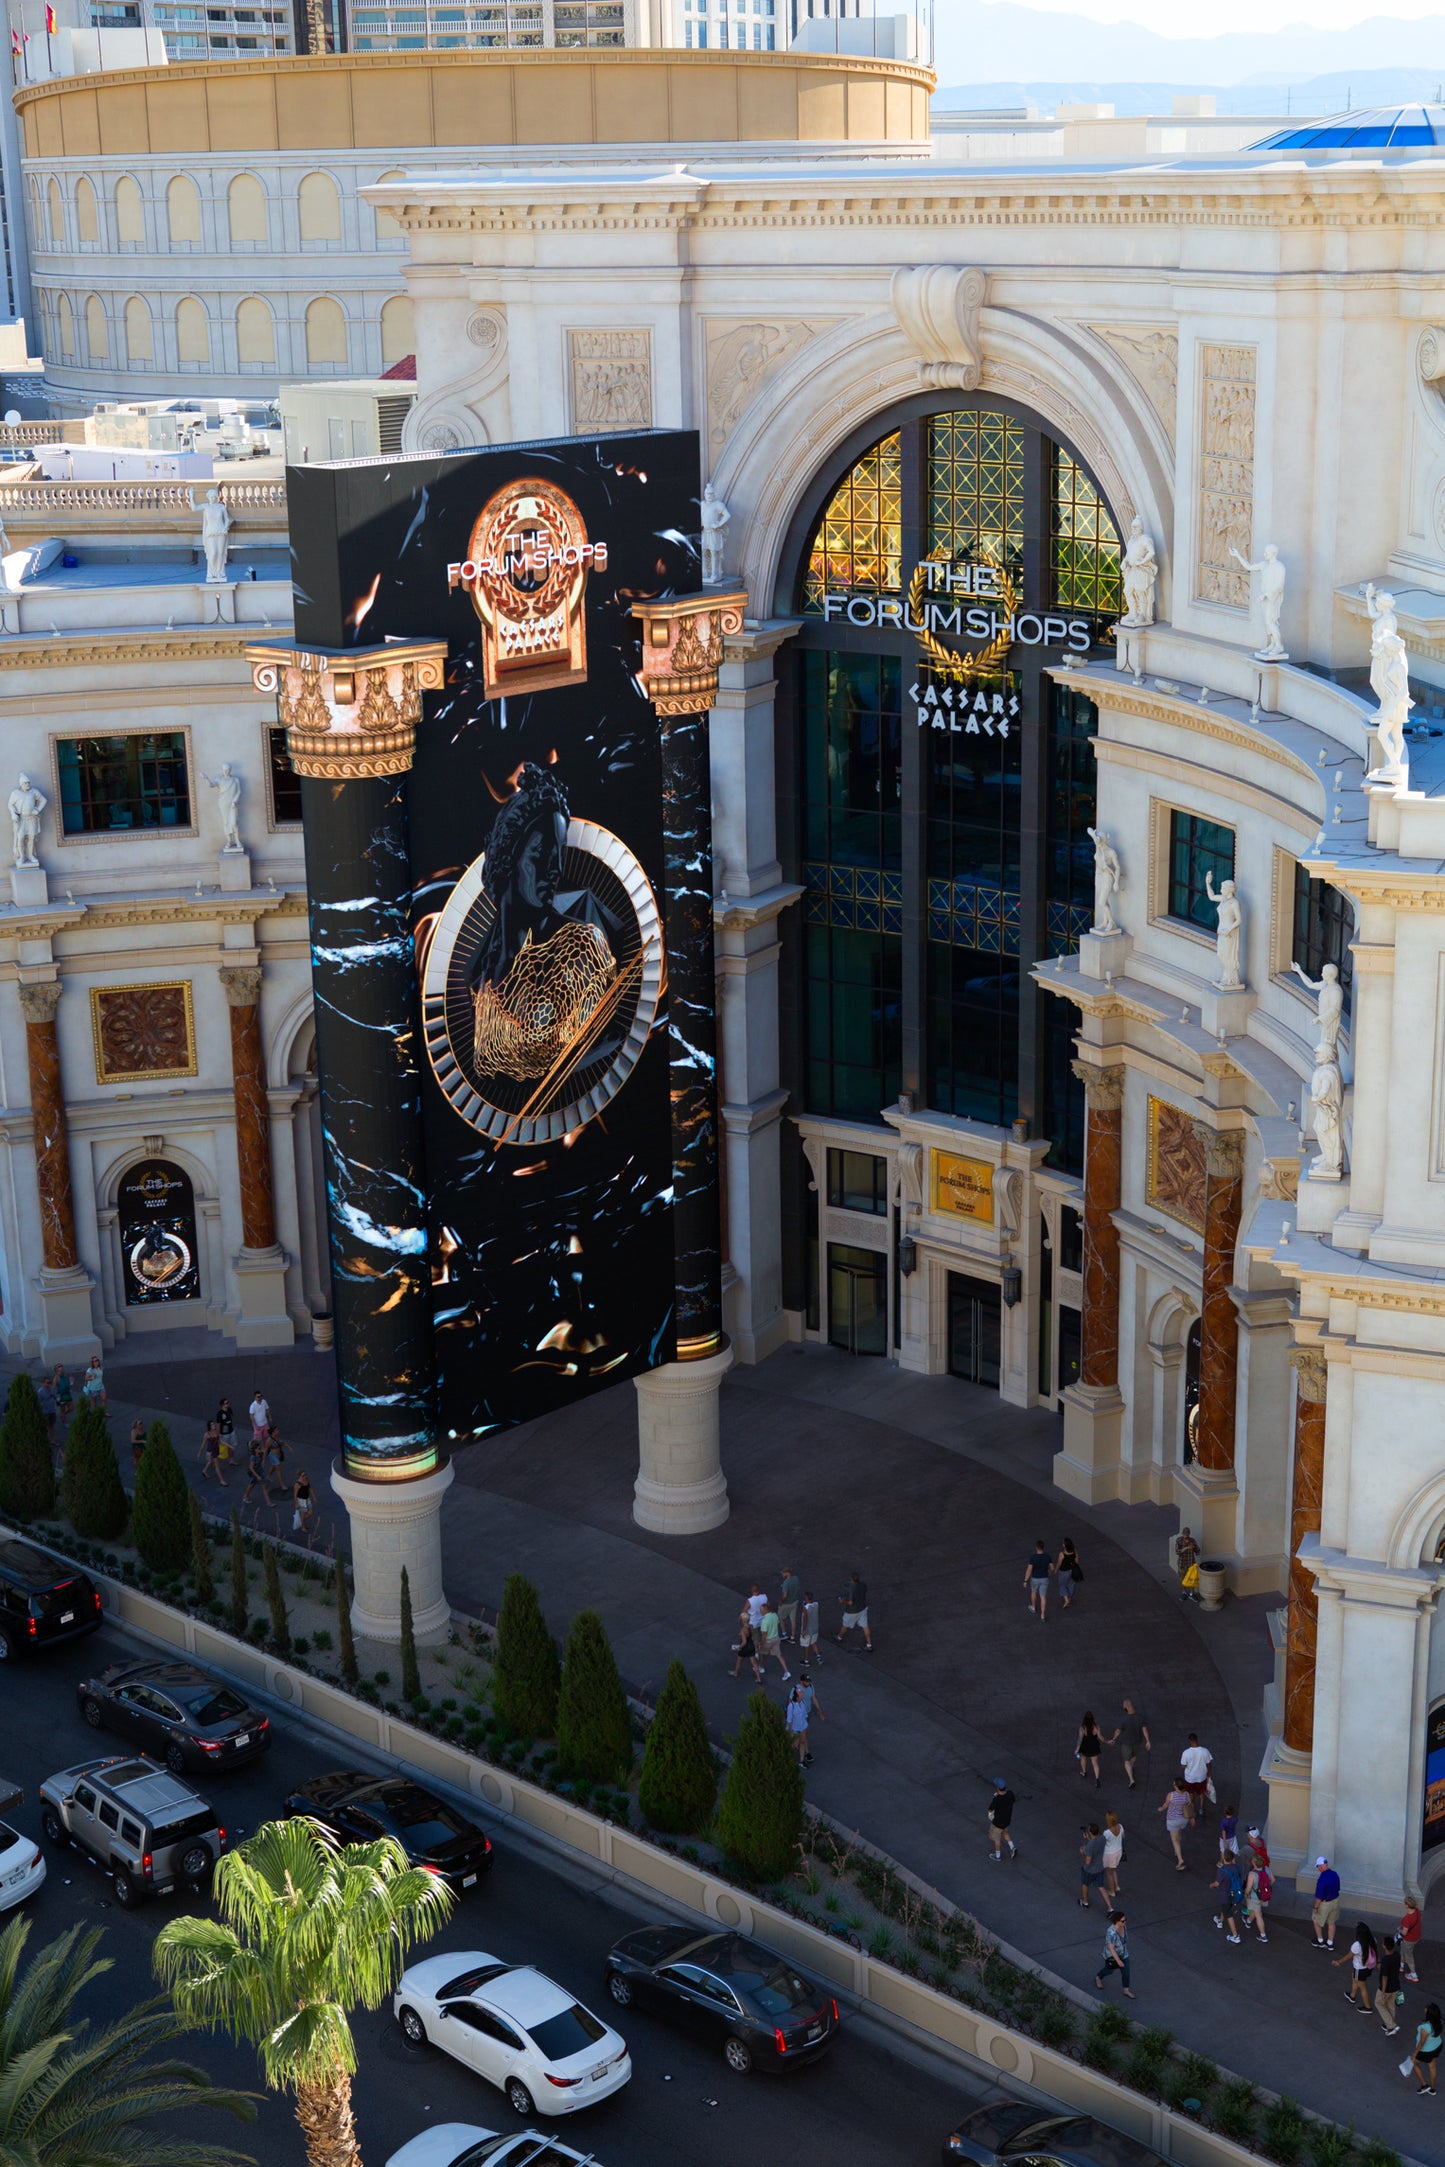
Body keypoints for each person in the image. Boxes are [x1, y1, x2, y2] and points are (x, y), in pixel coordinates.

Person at [1107, 1699, 1152, 1790]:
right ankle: (1131, 1769)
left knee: (1126, 1761)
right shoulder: (1140, 1717)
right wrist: (1148, 1741)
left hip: (1126, 1744)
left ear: (1126, 1707)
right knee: (1134, 1757)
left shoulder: (1124, 1719)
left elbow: (1118, 1731)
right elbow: (1144, 1730)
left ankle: (1131, 1780)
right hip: (1137, 1742)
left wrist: (1113, 1739)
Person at [1335, 1923, 1378, 2011]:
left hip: (1360, 1969)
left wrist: (1338, 1962)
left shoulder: (1357, 1945)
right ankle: (1352, 1996)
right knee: (1355, 1979)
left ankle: (1368, 2007)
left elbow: (1348, 1956)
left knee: (1363, 1987)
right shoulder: (1373, 1940)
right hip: (1368, 1967)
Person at [1094, 1909, 1134, 1999]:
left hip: (1123, 1953)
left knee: (1126, 1972)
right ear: (1117, 1921)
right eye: (1123, 1921)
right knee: (1109, 1970)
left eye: (1125, 1920)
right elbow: (1111, 1948)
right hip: (1112, 1956)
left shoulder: (1123, 1927)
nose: (1125, 1922)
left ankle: (1126, 1990)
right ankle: (1098, 1977)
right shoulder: (1111, 1932)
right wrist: (1118, 1961)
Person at [1405, 2002, 1442, 2094]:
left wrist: (1415, 2053)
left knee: (1413, 2063)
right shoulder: (1439, 2021)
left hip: (1426, 2051)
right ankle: (1432, 2089)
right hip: (1437, 2046)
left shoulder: (1425, 2027)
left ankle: (1424, 2085)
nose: (1425, 2009)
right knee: (1432, 2067)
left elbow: (1422, 2043)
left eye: (1427, 2009)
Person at [1160, 1774, 1192, 1871]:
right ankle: (1176, 1850)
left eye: (1174, 1785)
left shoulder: (1171, 1795)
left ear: (1177, 1786)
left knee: (1174, 1840)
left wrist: (1161, 1808)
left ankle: (1180, 1860)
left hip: (1173, 1820)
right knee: (1179, 1833)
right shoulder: (1186, 1794)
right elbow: (1190, 1804)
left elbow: (1165, 1805)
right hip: (1184, 1819)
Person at [1210, 1852, 1245, 1943]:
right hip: (1234, 1894)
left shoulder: (1221, 1871)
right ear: (1232, 1859)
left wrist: (1211, 1885)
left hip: (1225, 1895)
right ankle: (1220, 1921)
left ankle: (1235, 1936)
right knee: (1226, 1908)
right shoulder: (1236, 1867)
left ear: (1224, 1859)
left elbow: (1217, 1883)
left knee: (1228, 1914)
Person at [835, 1569, 872, 1650]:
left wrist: (842, 1601)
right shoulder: (863, 1585)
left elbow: (851, 1602)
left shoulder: (851, 1588)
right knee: (865, 1626)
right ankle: (869, 1644)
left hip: (852, 1611)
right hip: (862, 1609)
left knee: (845, 1625)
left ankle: (839, 1637)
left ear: (851, 1579)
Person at [1180, 1733, 1213, 1820]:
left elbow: (1183, 1766)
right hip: (1201, 1777)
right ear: (1197, 1740)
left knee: (1191, 1794)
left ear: (1190, 1741)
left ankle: (1193, 1810)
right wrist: (1209, 1774)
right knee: (1201, 1794)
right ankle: (1201, 1809)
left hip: (1189, 1778)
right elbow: (1209, 1764)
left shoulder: (1186, 1753)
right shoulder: (1205, 1751)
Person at [1312, 1856, 1342, 1949]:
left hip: (1325, 1904)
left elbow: (1319, 1897)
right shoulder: (1335, 1874)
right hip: (1335, 1901)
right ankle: (1330, 1943)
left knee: (1316, 1921)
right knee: (1331, 1922)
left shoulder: (1322, 1879)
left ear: (1320, 1866)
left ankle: (1320, 1941)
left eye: (1318, 1867)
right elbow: (1338, 1888)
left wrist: (1316, 1907)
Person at [757, 1600, 791, 1681]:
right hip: (776, 1638)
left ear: (766, 1610)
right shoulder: (775, 1615)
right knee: (779, 1655)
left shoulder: (764, 1621)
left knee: (760, 1652)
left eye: (761, 1610)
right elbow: (777, 1623)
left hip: (768, 1640)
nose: (760, 1611)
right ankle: (786, 1672)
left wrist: (760, 1643)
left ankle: (761, 1668)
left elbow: (764, 1635)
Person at [796, 1670, 824, 1767]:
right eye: (806, 1681)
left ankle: (804, 1753)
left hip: (807, 1714)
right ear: (801, 1681)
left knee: (803, 1735)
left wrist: (820, 1711)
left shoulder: (810, 1686)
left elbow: (814, 1698)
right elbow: (791, 1703)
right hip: (799, 1716)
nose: (808, 1683)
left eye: (808, 1681)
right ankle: (803, 1757)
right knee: (802, 1738)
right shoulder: (797, 1690)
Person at [1377, 1932, 1404, 2036]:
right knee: (1391, 2005)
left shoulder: (1385, 1960)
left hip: (1387, 1987)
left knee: (1378, 2003)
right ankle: (1388, 2024)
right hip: (1396, 1985)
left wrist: (1383, 1991)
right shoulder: (1397, 1955)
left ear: (1384, 1946)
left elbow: (1384, 1977)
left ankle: (1391, 2026)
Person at [1079, 1823, 1109, 1912]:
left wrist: (1082, 1853)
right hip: (1100, 1867)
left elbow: (1088, 1861)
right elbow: (1096, 1844)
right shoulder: (1102, 1838)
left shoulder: (1089, 1846)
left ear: (1090, 1833)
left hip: (1089, 1870)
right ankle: (1110, 1907)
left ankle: (1085, 1902)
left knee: (1085, 1884)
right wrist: (1088, 1838)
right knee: (1101, 1886)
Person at [729, 1606, 763, 1683]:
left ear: (742, 1620)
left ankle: (735, 1672)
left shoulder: (743, 1630)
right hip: (751, 1645)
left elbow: (744, 1642)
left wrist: (738, 1647)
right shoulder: (751, 1626)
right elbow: (751, 1634)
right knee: (754, 1664)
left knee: (739, 1660)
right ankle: (758, 1678)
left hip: (745, 1647)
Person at [987, 1777, 1017, 1862]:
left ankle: (997, 1856)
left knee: (997, 1839)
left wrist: (994, 1798)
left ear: (997, 1788)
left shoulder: (997, 1799)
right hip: (1007, 1820)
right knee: (1005, 1832)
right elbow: (1013, 1800)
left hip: (997, 1822)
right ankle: (1012, 1847)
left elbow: (990, 1809)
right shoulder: (1010, 1794)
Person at [1023, 1538, 1052, 1621]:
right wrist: (1049, 1572)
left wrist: (1025, 1580)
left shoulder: (1033, 1558)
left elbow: (1029, 1570)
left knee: (1034, 1592)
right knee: (1043, 1597)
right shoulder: (1047, 1557)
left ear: (1036, 1548)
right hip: (1045, 1579)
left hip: (1035, 1578)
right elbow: (1052, 1568)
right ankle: (1042, 1615)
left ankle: (1033, 1607)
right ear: (1043, 1547)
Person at [1076, 1710, 1104, 1788]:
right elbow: (1100, 1737)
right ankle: (1097, 1779)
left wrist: (1077, 1749)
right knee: (1095, 1763)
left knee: (1083, 1758)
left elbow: (1080, 1739)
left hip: (1085, 1746)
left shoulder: (1082, 1728)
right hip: (1094, 1746)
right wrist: (1106, 1741)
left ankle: (1084, 1772)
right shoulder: (1096, 1726)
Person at [785, 1682, 810, 1768]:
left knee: (802, 1742)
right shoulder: (791, 1706)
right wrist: (791, 1732)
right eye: (800, 1693)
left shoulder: (803, 1702)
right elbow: (789, 1720)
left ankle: (801, 1761)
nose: (802, 1694)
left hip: (802, 1726)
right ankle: (786, 1758)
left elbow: (805, 1714)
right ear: (797, 1696)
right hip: (795, 1729)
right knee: (794, 1745)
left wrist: (806, 1724)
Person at [1102, 1809, 1124, 1899]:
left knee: (1109, 1873)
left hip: (1109, 1854)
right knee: (1114, 1869)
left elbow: (1102, 1843)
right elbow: (1123, 1836)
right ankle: (1117, 1886)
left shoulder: (1107, 1832)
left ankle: (1112, 1891)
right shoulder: (1120, 1826)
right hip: (1119, 1851)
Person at [1401, 1894, 1423, 1985]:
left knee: (1409, 1956)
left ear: (1407, 1905)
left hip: (1409, 1939)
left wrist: (1399, 1930)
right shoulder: (1417, 1911)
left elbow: (1404, 1933)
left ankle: (1414, 1975)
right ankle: (1401, 1965)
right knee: (1403, 1949)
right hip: (1417, 1936)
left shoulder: (1407, 1919)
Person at [1055, 1536, 1083, 1608]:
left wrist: (1056, 1570)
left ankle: (1066, 1599)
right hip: (1072, 1571)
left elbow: (1059, 1563)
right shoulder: (1074, 1551)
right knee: (1071, 1585)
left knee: (1062, 1585)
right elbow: (1077, 1562)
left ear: (1065, 1545)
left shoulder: (1062, 1554)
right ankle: (1069, 1600)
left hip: (1063, 1572)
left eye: (1063, 1543)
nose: (1062, 1544)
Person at [197, 1418, 226, 1486]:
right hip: (210, 1452)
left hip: (216, 1450)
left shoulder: (216, 1432)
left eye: (214, 1424)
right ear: (209, 1426)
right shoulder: (207, 1434)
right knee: (217, 1465)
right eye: (212, 1424)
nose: (214, 1425)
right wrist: (199, 1453)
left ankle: (204, 1471)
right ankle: (222, 1480)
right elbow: (203, 1444)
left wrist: (229, 1446)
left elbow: (221, 1441)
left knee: (210, 1462)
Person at [777, 1564, 801, 1645]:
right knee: (793, 1620)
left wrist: (781, 1601)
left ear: (787, 1573)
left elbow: (785, 1595)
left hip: (786, 1603)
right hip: (795, 1602)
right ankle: (792, 1638)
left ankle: (784, 1634)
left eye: (783, 1573)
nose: (782, 1575)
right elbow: (798, 1588)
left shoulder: (786, 1582)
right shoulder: (796, 1578)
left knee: (780, 1617)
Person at [292, 1466, 316, 1546]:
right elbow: (295, 1495)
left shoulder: (307, 1480)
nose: (305, 1476)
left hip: (307, 1499)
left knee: (310, 1512)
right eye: (303, 1475)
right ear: (299, 1476)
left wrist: (314, 1497)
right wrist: (296, 1503)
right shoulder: (297, 1484)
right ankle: (303, 1526)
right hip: (301, 1500)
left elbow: (310, 1488)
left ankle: (302, 1522)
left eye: (305, 1474)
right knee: (303, 1513)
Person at [1176, 1526, 1201, 1601]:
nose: (1186, 1536)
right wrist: (1186, 1548)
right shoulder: (1179, 1540)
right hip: (1182, 1563)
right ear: (1182, 1533)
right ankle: (1184, 1592)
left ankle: (1191, 1594)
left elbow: (1198, 1552)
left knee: (1191, 1579)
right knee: (1182, 1579)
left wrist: (1194, 1547)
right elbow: (1177, 1552)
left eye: (1187, 1534)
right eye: (1184, 1534)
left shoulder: (1192, 1541)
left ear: (1189, 1534)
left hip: (1191, 1564)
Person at [242, 1435, 268, 1505]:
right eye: (258, 1448)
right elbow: (251, 1467)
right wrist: (257, 1476)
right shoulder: (253, 1457)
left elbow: (265, 1452)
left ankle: (269, 1502)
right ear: (255, 1449)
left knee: (263, 1485)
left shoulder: (260, 1454)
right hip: (255, 1473)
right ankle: (246, 1496)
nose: (260, 1449)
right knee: (252, 1485)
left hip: (260, 1471)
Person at [798, 1590, 822, 1666]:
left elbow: (805, 1620)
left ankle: (806, 1661)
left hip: (808, 1630)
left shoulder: (805, 1608)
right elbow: (818, 1613)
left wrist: (803, 1631)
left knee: (806, 1646)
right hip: (815, 1628)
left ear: (806, 1598)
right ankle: (818, 1656)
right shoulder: (816, 1604)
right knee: (814, 1642)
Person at [52, 1364, 72, 1436]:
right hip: (61, 1396)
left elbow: (68, 1383)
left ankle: (62, 1415)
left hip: (67, 1394)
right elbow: (54, 1389)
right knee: (62, 1409)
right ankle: (64, 1422)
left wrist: (70, 1384)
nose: (61, 1369)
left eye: (62, 1367)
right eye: (59, 1367)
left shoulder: (65, 1374)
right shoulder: (56, 1378)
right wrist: (56, 1398)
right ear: (56, 1370)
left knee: (71, 1408)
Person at [215, 1397, 235, 1466]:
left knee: (233, 1445)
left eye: (228, 1402)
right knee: (223, 1448)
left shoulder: (229, 1410)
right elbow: (218, 1425)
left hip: (231, 1431)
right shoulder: (219, 1414)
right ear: (222, 1405)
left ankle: (231, 1460)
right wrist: (219, 1434)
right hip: (224, 1433)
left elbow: (231, 1418)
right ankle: (216, 1461)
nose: (228, 1404)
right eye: (227, 1403)